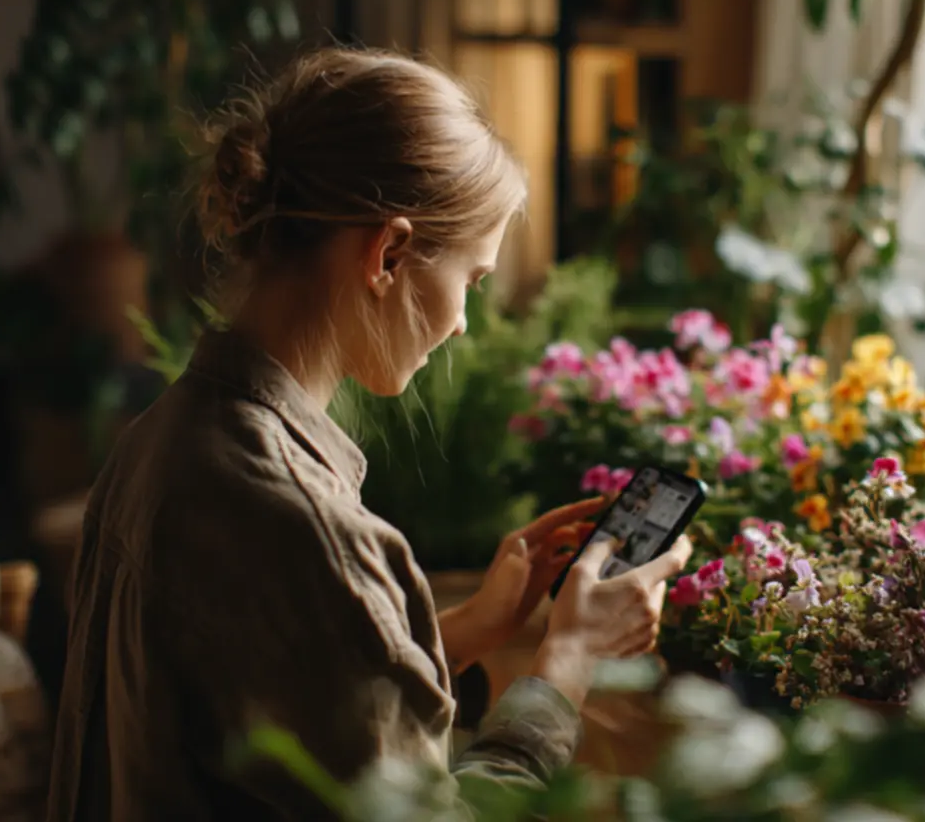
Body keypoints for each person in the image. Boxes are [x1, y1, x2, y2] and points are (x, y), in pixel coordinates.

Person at [45, 47, 693, 821]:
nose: (462, 322)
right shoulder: (304, 525)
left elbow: (275, 698)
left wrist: (466, 630)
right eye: (472, 281)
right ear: (388, 254)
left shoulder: (158, 443)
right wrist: (569, 660)